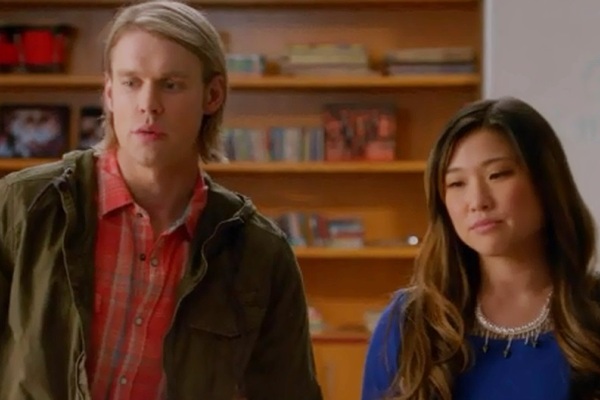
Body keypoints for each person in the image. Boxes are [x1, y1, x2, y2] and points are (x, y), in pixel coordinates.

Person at [0, 1, 322, 399]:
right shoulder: (24, 206)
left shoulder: (259, 253)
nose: (148, 104)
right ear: (109, 94)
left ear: (212, 95)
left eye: (171, 84)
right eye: (131, 82)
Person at [361, 96, 600, 400]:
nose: (477, 201)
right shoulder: (409, 322)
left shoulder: (592, 314)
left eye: (497, 175)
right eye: (456, 183)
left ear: (546, 181)